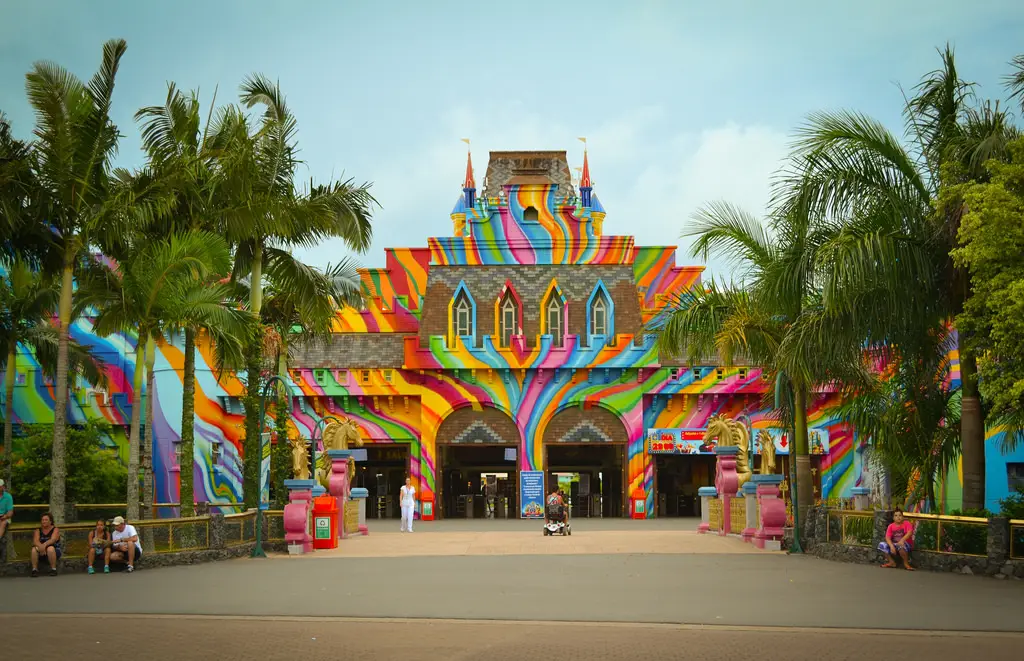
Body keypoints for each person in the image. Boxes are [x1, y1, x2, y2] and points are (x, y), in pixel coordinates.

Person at [30, 512, 61, 577]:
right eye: (43, 520)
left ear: (50, 521)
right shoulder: (38, 530)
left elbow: (53, 540)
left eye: (46, 520)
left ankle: (53, 569)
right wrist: (41, 547)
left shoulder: (55, 529)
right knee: (34, 549)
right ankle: (34, 570)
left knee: (50, 548)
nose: (44, 521)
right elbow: (35, 541)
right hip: (41, 551)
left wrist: (43, 546)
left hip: (54, 550)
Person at [0, 478, 12, 543]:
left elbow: (10, 512)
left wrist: (5, 516)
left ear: (3, 487)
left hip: (5, 517)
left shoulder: (8, 496)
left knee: (3, 522)